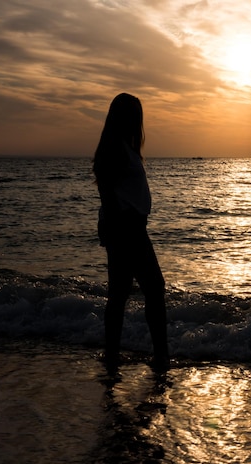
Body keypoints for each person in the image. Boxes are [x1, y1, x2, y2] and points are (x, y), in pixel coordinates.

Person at [93, 93, 169, 373]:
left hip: (130, 227)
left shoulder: (126, 147)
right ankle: (161, 356)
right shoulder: (114, 148)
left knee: (120, 293)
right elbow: (107, 193)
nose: (139, 121)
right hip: (127, 228)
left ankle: (113, 354)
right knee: (153, 288)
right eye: (135, 115)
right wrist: (113, 228)